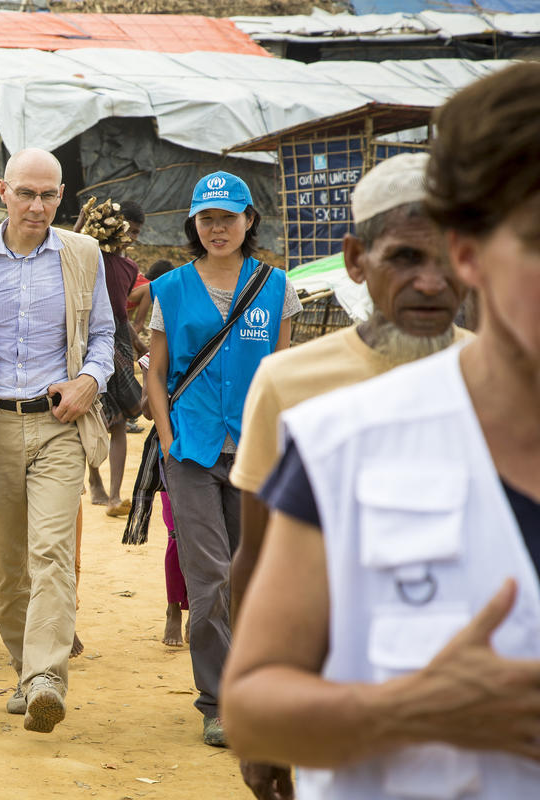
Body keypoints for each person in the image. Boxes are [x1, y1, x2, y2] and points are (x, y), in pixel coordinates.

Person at [222, 62, 540, 799]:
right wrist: (416, 710)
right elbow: (256, 679)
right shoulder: (336, 437)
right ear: (472, 254)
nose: (428, 284)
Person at [224, 152, 471, 800]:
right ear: (357, 260)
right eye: (406, 258)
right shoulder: (290, 383)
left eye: (449, 258)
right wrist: (261, 709)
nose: (431, 283)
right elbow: (255, 557)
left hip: (481, 699)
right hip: (338, 693)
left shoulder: (501, 381)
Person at [0, 148, 114, 733]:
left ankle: (45, 678)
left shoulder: (83, 254)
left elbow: (104, 336)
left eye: (49, 195)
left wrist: (89, 380)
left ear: (62, 197)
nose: (37, 206)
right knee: (9, 569)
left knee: (52, 552)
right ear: (2, 191)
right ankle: (24, 669)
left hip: (59, 425)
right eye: (26, 193)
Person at [145, 171, 300, 747]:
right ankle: (217, 702)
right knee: (209, 578)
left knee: (251, 576)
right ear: (194, 224)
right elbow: (156, 372)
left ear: (248, 220)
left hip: (256, 452)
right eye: (206, 219)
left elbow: (280, 372)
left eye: (228, 218)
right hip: (191, 450)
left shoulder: (277, 287)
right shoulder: (170, 289)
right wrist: (166, 438)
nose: (217, 228)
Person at [80, 199, 147, 516]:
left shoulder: (130, 268)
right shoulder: (92, 256)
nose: (132, 237)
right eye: (129, 230)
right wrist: (83, 220)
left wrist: (140, 346)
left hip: (118, 342)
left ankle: (115, 496)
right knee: (91, 414)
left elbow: (120, 314)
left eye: (137, 233)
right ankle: (95, 482)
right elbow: (70, 247)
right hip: (88, 340)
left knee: (119, 422)